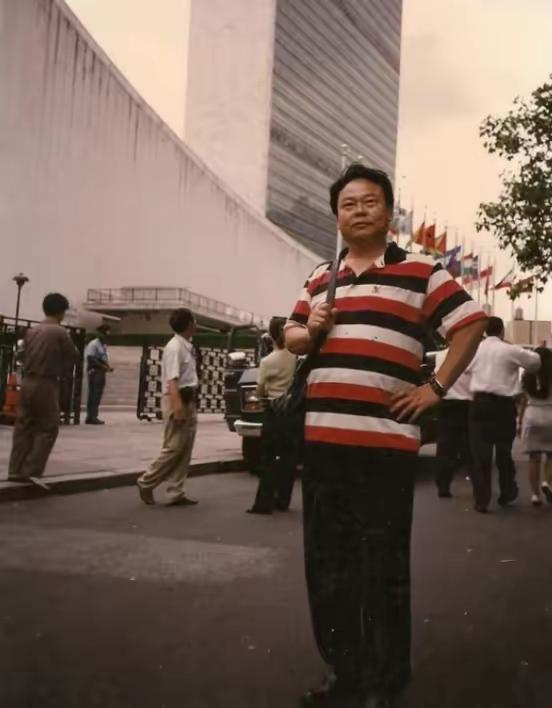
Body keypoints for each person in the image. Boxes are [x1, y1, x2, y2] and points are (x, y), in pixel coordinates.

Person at [285, 163, 487, 708]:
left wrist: (435, 388)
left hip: (383, 450)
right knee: (327, 570)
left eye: (369, 201)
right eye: (348, 204)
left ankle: (384, 681)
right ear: (336, 215)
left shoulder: (421, 271)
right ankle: (344, 673)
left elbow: (470, 324)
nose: (358, 211)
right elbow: (292, 335)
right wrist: (310, 328)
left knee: (381, 569)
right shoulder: (320, 275)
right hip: (323, 447)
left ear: (388, 211)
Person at [468, 317, 540, 513]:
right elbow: (535, 362)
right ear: (501, 331)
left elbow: (465, 369)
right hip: (503, 406)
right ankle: (507, 491)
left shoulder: (475, 349)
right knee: (503, 452)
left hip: (479, 404)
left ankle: (481, 500)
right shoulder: (509, 350)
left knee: (480, 455)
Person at [8, 293, 79, 484]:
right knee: (48, 427)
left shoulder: (32, 331)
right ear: (61, 312)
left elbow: (19, 355)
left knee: (23, 426)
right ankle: (31, 469)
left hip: (27, 382)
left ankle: (15, 469)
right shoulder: (59, 332)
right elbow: (73, 355)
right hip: (46, 382)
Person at [137, 308, 198, 506]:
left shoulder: (187, 345)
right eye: (194, 320)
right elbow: (172, 380)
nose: (196, 324)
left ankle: (176, 491)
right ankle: (146, 481)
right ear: (189, 323)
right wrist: (177, 407)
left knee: (184, 449)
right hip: (177, 399)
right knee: (173, 447)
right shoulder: (175, 347)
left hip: (188, 399)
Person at [246, 316, 297, 515]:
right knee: (287, 457)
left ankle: (263, 503)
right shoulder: (294, 357)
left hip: (273, 411)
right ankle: (283, 500)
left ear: (271, 336)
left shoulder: (267, 361)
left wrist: (263, 394)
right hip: (290, 411)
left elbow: (259, 390)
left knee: (269, 459)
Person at [434, 346, 473, 498]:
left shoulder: (440, 355)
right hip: (467, 404)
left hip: (447, 403)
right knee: (470, 448)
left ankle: (443, 486)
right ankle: (478, 487)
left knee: (445, 449)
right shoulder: (471, 353)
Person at [519, 346, 552, 507]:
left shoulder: (527, 376)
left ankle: (535, 495)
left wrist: (520, 423)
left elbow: (523, 400)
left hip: (532, 415)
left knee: (534, 458)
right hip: (550, 414)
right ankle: (547, 482)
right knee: (551, 455)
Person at [84, 324, 114, 424]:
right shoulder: (93, 344)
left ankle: (92, 416)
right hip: (94, 372)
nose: (106, 337)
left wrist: (108, 366)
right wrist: (103, 366)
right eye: (104, 334)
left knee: (97, 394)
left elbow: (103, 358)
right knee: (94, 394)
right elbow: (91, 358)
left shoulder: (103, 345)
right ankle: (92, 417)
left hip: (101, 372)